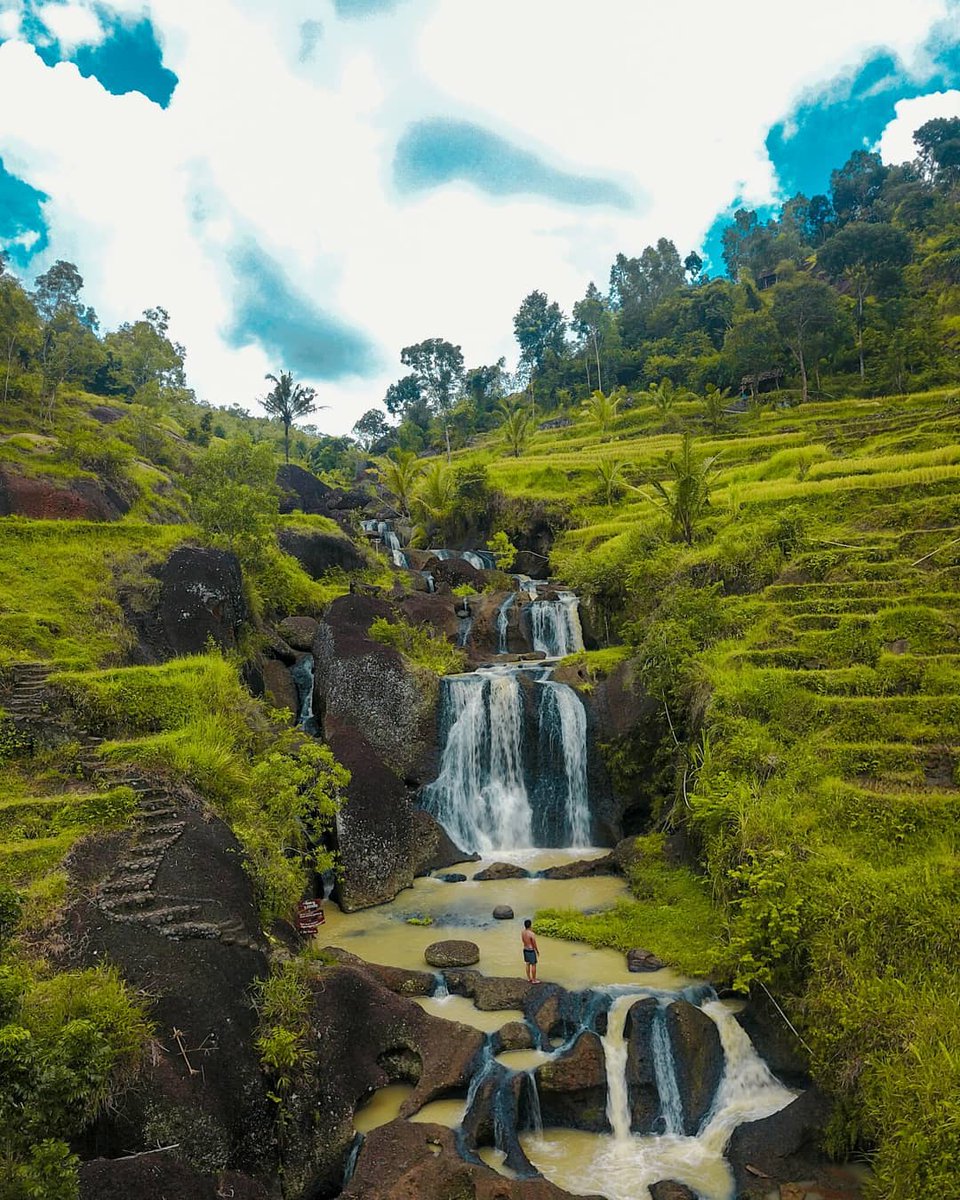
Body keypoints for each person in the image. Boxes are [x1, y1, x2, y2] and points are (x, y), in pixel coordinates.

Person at [521, 919, 540, 983]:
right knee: (533, 964)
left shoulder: (523, 932)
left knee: (527, 963)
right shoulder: (531, 934)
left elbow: (523, 941)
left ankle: (529, 978)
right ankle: (534, 980)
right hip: (531, 950)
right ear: (530, 925)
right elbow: (534, 943)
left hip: (525, 949)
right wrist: (537, 951)